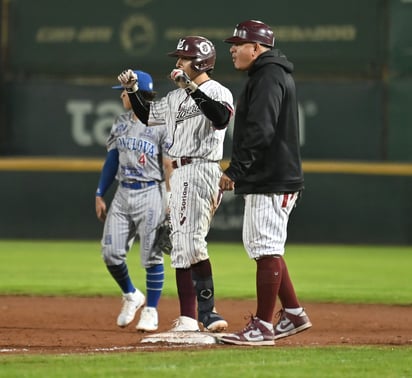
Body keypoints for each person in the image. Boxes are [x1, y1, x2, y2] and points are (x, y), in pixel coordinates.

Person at [117, 36, 234, 332]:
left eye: (183, 58)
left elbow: (220, 118)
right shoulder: (173, 98)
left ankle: (208, 313)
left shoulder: (218, 90)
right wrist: (132, 90)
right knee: (180, 245)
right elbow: (146, 116)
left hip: (202, 168)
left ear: (200, 62)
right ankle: (188, 317)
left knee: (192, 242)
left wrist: (190, 87)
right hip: (179, 172)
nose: (178, 63)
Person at [218, 20, 312, 346]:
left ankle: (262, 326)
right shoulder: (269, 73)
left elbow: (261, 130)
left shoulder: (269, 76)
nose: (232, 48)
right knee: (266, 246)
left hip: (270, 177)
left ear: (256, 48)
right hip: (273, 176)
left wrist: (236, 170)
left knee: (265, 248)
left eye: (238, 43)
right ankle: (294, 313)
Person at [95, 70, 172, 332]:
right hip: (123, 192)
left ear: (137, 92)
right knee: (110, 254)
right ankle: (131, 294)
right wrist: (99, 192)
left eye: (125, 92)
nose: (122, 97)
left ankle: (151, 310)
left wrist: (170, 198)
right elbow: (112, 160)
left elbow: (169, 164)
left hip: (152, 191)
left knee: (152, 256)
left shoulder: (161, 124)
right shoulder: (120, 122)